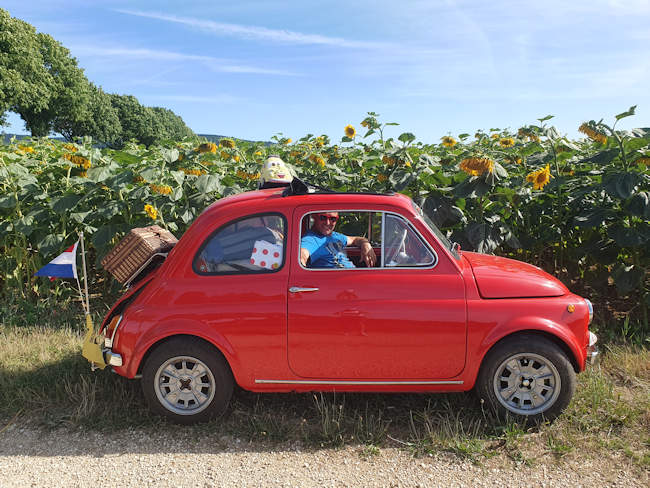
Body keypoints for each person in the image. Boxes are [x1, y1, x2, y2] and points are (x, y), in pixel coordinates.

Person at [300, 212, 376, 268]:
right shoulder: (310, 240)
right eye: (323, 217)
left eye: (333, 219)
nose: (328, 222)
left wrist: (365, 244)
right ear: (314, 216)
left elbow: (355, 239)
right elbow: (302, 255)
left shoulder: (335, 236)